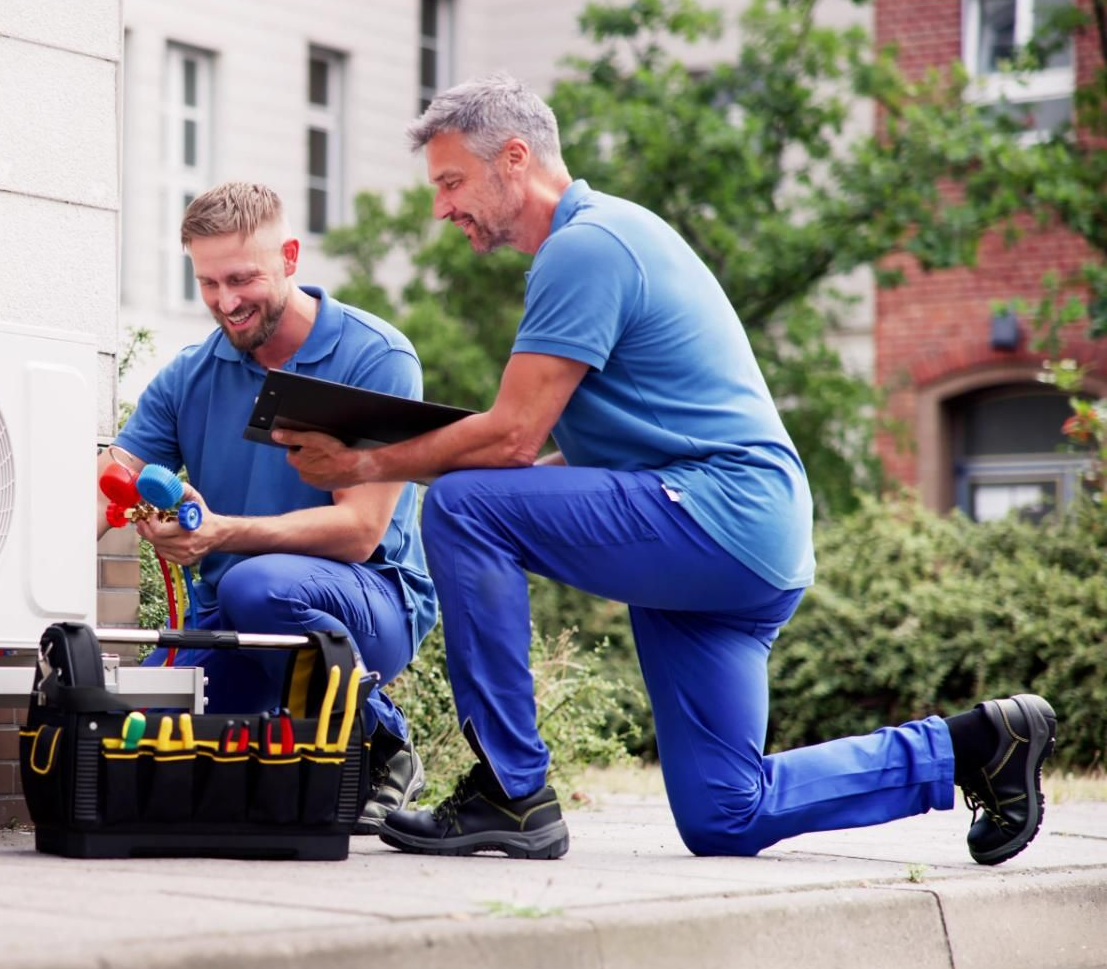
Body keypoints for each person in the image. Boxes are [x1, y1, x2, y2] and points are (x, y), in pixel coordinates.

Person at [277, 74, 1058, 863]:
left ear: (514, 158)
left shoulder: (585, 247)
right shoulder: (611, 237)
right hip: (740, 539)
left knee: (464, 505)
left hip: (715, 513)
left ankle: (509, 790)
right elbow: (557, 454)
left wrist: (366, 460)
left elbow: (510, 440)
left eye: (451, 182)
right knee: (726, 812)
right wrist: (500, 485)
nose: (443, 207)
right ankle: (974, 747)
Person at [98, 181, 438, 832]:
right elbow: (110, 477)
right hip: (231, 619)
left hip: (367, 605)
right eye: (208, 283)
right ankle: (303, 750)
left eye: (241, 278)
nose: (226, 302)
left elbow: (361, 532)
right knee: (124, 741)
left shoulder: (374, 357)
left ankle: (381, 738)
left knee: (258, 583)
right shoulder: (189, 376)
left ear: (289, 256)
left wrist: (220, 533)